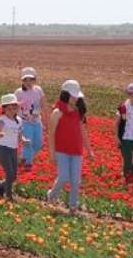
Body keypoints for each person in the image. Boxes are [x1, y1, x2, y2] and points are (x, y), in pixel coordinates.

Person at [46, 80, 95, 215]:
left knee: (75, 180)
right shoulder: (57, 112)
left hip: (76, 150)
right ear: (65, 95)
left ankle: (73, 207)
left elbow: (83, 131)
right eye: (73, 96)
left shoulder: (78, 112)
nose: (75, 99)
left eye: (76, 96)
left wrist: (89, 150)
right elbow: (51, 133)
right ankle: (52, 195)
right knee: (63, 177)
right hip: (61, 150)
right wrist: (52, 153)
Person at [14, 67, 49, 171]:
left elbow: (43, 105)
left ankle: (22, 158)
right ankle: (28, 163)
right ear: (22, 80)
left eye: (31, 79)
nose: (28, 82)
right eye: (25, 80)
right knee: (28, 142)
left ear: (35, 80)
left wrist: (45, 121)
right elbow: (13, 107)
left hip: (37, 121)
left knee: (38, 144)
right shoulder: (18, 92)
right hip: (24, 122)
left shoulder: (38, 90)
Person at [0, 94, 27, 200]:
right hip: (3, 149)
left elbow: (19, 135)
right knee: (9, 172)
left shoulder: (19, 120)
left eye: (14, 108)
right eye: (9, 109)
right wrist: (0, 133)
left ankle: (1, 185)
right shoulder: (2, 119)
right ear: (4, 109)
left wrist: (23, 140)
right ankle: (8, 195)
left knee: (13, 176)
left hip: (13, 149)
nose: (12, 111)